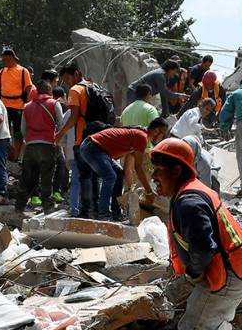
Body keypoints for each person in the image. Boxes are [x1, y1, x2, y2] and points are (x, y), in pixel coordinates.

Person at [151, 138, 242, 330]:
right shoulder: (192, 190)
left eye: (158, 170)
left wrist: (192, 276)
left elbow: (202, 249)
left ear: (177, 170)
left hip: (227, 274)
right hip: (238, 268)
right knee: (213, 323)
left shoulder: (188, 202)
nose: (153, 176)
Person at [80, 118, 168, 220]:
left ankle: (115, 212)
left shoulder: (138, 137)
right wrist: (149, 192)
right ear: (156, 131)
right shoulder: (141, 137)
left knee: (118, 173)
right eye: (163, 134)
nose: (163, 137)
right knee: (110, 176)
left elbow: (128, 168)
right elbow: (138, 168)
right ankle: (103, 214)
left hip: (98, 150)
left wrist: (131, 190)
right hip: (92, 147)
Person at [55, 63, 98, 218]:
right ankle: (95, 210)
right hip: (96, 141)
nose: (67, 82)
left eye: (68, 78)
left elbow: (73, 118)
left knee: (79, 180)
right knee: (93, 178)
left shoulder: (75, 90)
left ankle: (78, 212)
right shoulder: (93, 88)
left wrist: (60, 134)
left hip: (80, 143)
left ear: (76, 74)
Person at [15, 80, 63, 214]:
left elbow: (23, 129)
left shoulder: (27, 106)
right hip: (48, 145)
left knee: (27, 178)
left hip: (30, 147)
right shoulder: (54, 104)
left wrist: (30, 140)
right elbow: (61, 124)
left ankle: (19, 206)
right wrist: (58, 144)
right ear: (49, 91)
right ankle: (48, 208)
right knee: (47, 178)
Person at [0, 48, 33, 159]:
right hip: (4, 105)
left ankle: (16, 157)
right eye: (3, 60)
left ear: (13, 59)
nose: (5, 62)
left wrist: (27, 103)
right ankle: (5, 154)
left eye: (6, 59)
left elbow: (28, 87)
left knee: (17, 133)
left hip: (18, 106)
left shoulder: (23, 71)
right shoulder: (2, 71)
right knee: (3, 131)